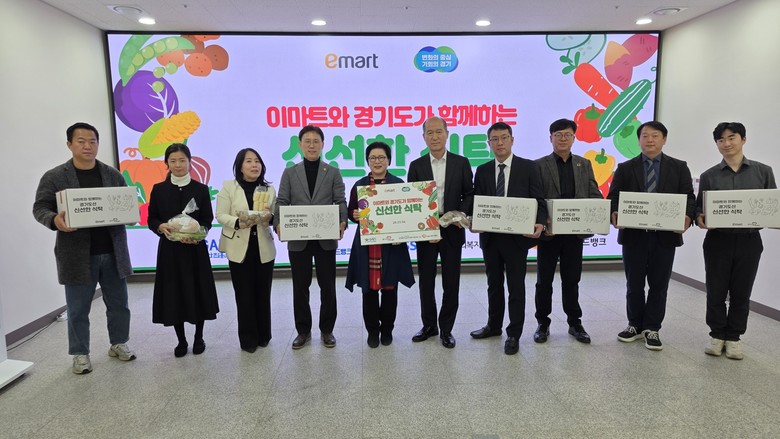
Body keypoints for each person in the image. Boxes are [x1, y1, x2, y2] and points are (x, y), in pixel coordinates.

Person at [33, 122, 136, 374]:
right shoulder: (55, 177)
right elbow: (40, 208)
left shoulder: (112, 175)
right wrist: (54, 220)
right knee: (78, 308)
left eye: (92, 141)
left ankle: (118, 343)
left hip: (112, 252)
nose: (87, 146)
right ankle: (80, 353)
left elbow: (126, 205)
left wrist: (130, 214)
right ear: (69, 144)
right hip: (77, 255)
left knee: (119, 304)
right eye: (81, 141)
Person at [608, 121, 695, 351]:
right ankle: (634, 325)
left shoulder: (679, 167)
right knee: (634, 284)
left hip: (665, 237)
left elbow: (689, 197)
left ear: (664, 139)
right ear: (638, 140)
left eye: (655, 135)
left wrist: (687, 216)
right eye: (645, 135)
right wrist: (614, 212)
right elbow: (613, 197)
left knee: (659, 284)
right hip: (634, 236)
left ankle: (652, 328)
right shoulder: (625, 168)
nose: (649, 140)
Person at [696, 122, 776, 360]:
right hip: (718, 240)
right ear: (716, 144)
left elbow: (772, 206)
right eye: (721, 140)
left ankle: (734, 338)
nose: (727, 143)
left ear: (743, 139)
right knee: (716, 290)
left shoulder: (763, 172)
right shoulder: (709, 175)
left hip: (749, 240)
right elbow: (700, 209)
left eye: (732, 137)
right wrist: (701, 219)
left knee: (742, 291)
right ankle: (717, 334)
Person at [470, 122, 546, 355]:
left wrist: (540, 222)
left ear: (512, 140)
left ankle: (514, 333)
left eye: (504, 138)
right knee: (493, 284)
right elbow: (477, 200)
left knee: (515, 286)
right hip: (490, 238)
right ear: (489, 143)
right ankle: (493, 326)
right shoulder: (482, 170)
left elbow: (539, 199)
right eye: (494, 139)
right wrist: (473, 219)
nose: (499, 143)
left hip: (516, 239)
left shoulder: (528, 167)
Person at [274, 125, 347, 349]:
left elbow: (340, 200)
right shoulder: (290, 172)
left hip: (326, 239)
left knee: (328, 287)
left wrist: (342, 221)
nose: (312, 145)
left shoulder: (332, 171)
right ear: (300, 145)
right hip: (298, 240)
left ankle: (327, 330)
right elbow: (282, 201)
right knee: (300, 287)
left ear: (323, 145)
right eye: (307, 141)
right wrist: (278, 223)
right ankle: (303, 331)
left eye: (316, 141)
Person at [533, 118, 602, 344]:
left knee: (572, 280)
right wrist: (542, 222)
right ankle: (542, 323)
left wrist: (599, 213)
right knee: (544, 281)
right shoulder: (538, 165)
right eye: (558, 135)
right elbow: (535, 199)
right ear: (550, 138)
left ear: (574, 138)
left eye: (567, 135)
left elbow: (594, 194)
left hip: (574, 234)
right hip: (548, 235)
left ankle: (575, 323)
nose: (563, 139)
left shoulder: (584, 164)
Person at [407, 116, 474, 349]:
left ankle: (446, 329)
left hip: (452, 229)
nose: (434, 137)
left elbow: (469, 194)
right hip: (426, 231)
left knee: (451, 281)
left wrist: (460, 214)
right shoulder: (416, 165)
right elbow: (412, 199)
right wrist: (425, 224)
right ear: (424, 137)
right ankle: (429, 326)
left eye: (439, 132)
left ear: (447, 134)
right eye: (430, 133)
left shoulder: (461, 162)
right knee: (426, 281)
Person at [147, 143, 219, 358]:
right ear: (166, 163)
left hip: (195, 250)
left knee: (198, 291)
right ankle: (181, 340)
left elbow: (207, 219)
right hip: (170, 251)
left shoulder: (201, 189)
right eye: (173, 161)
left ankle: (199, 337)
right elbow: (152, 218)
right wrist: (160, 226)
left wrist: (198, 234)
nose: (178, 165)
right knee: (174, 293)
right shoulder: (159, 189)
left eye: (182, 160)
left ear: (189, 162)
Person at [346, 142, 415, 348]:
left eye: (381, 157)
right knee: (368, 290)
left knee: (390, 289)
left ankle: (387, 330)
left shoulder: (398, 184)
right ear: (367, 161)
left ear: (389, 160)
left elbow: (408, 212)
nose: (377, 161)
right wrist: (354, 214)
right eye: (373, 158)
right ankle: (372, 331)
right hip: (367, 246)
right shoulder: (359, 185)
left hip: (392, 246)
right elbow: (350, 212)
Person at [216, 148, 277, 353]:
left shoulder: (269, 189)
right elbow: (220, 215)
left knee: (263, 294)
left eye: (257, 161)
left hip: (263, 247)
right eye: (249, 161)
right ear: (240, 166)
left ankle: (264, 335)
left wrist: (270, 216)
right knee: (244, 295)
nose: (254, 165)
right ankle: (248, 339)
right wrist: (238, 222)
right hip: (238, 246)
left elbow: (274, 216)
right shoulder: (229, 187)